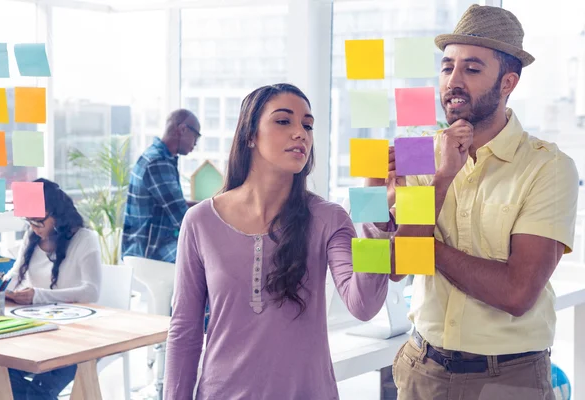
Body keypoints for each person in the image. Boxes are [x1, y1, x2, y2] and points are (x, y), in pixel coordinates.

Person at [365, 5, 579, 400]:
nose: (453, 81)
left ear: (507, 82)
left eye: (472, 69)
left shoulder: (549, 167)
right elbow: (394, 269)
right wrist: (440, 179)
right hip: (422, 369)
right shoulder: (418, 152)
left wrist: (425, 246)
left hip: (509, 379)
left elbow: (517, 294)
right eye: (447, 67)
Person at [163, 83, 394, 400]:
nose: (301, 133)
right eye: (284, 121)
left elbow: (364, 305)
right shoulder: (201, 221)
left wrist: (376, 216)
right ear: (250, 135)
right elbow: (185, 331)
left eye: (308, 125)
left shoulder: (329, 218)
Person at [4, 178, 102, 400]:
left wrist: (38, 296)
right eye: (29, 222)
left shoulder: (85, 239)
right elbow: (15, 273)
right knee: (6, 371)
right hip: (40, 331)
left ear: (58, 215)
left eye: (39, 222)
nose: (34, 228)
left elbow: (91, 291)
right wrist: (0, 291)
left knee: (39, 391)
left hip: (80, 338)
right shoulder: (31, 237)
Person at [122, 109, 201, 263]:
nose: (195, 143)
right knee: (206, 257)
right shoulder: (158, 162)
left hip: (148, 246)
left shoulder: (158, 156)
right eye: (196, 136)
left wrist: (212, 206)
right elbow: (182, 218)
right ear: (182, 129)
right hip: (149, 251)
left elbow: (175, 204)